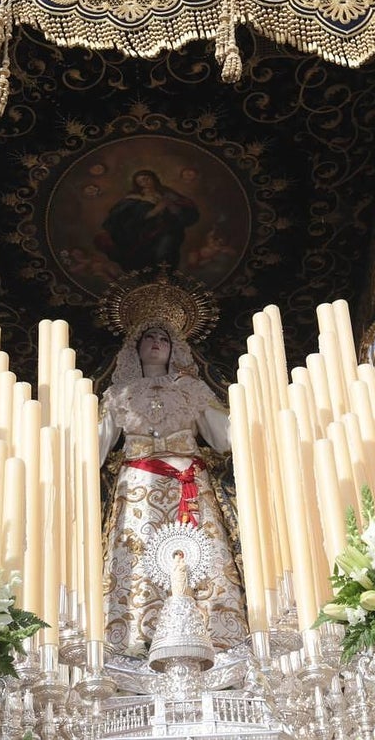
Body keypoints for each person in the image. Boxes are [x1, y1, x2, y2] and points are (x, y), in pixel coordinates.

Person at [98, 319, 247, 657]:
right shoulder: (119, 395)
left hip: (189, 488)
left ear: (174, 347)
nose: (155, 342)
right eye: (148, 336)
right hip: (138, 490)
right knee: (136, 564)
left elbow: (226, 437)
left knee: (202, 564)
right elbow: (94, 447)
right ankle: (134, 644)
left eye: (163, 337)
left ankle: (217, 646)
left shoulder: (191, 390)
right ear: (134, 347)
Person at [97, 170, 199, 272]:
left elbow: (184, 208)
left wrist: (172, 207)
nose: (145, 183)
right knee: (146, 258)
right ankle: (150, 281)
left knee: (164, 253)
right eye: (141, 182)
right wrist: (155, 211)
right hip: (145, 234)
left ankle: (167, 280)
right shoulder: (134, 197)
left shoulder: (166, 192)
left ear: (153, 178)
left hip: (168, 230)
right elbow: (126, 217)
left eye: (146, 179)